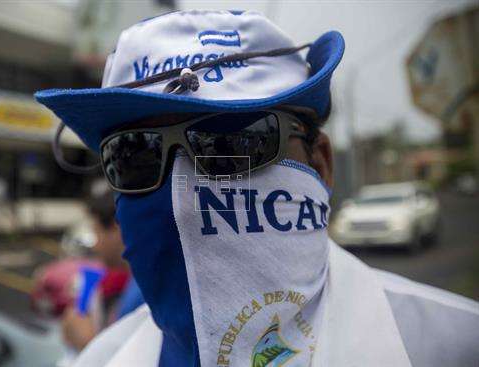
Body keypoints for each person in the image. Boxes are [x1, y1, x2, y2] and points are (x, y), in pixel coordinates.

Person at [36, 10, 479, 367]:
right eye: (133, 153)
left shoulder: (455, 345)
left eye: (232, 141)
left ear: (320, 163)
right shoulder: (101, 357)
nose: (182, 201)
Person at [61, 189, 144, 351]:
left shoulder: (143, 290)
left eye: (96, 231)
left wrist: (87, 342)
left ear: (116, 227)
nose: (96, 245)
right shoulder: (137, 282)